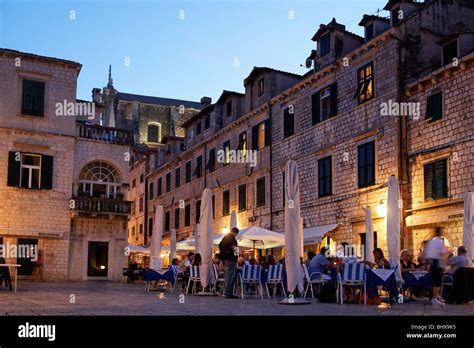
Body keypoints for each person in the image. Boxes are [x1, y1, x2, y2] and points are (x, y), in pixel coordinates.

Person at [424, 227, 448, 305]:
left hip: (432, 262)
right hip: (437, 262)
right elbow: (441, 254)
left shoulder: (431, 241)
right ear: (439, 232)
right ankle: (434, 299)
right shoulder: (439, 241)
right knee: (437, 282)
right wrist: (444, 264)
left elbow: (427, 254)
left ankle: (435, 298)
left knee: (435, 281)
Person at [219, 227, 239, 299]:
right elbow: (234, 247)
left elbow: (220, 246)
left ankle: (227, 292)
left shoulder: (224, 238)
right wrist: (237, 253)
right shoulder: (232, 238)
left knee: (227, 276)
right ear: (235, 233)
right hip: (231, 259)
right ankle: (228, 293)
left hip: (225, 259)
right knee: (230, 276)